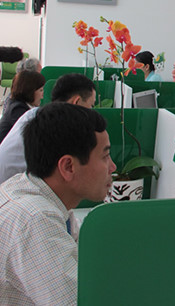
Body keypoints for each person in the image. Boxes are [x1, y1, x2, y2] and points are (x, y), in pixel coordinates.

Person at [0, 102, 115, 304]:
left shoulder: (41, 194)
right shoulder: (35, 220)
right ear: (68, 166)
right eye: (105, 156)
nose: (112, 167)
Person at [0, 73, 96, 184]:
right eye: (91, 105)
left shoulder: (35, 114)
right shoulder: (55, 125)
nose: (91, 111)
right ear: (77, 102)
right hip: (9, 185)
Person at [0, 71, 45, 143]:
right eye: (41, 90)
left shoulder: (18, 104)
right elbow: (32, 137)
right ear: (30, 91)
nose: (42, 96)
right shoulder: (17, 109)